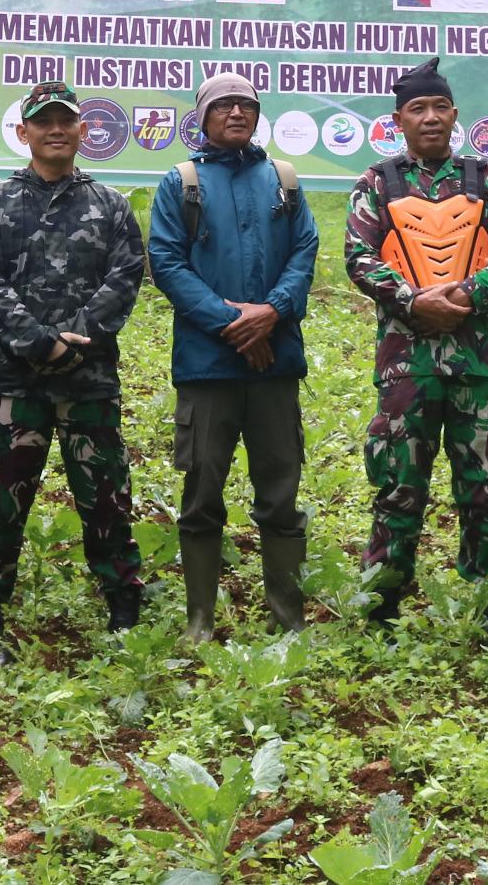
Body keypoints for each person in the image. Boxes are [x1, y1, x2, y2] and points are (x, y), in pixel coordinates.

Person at [344, 57, 488, 638]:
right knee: (399, 483)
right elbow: (358, 256)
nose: (430, 118)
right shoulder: (378, 183)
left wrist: (469, 292)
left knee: (484, 485)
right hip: (407, 363)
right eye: (417, 109)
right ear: (398, 119)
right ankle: (382, 607)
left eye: (439, 107)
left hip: (477, 361)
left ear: (455, 114)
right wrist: (411, 299)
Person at [0, 81, 149, 653]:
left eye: (66, 120)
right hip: (14, 379)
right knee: (1, 499)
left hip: (88, 379)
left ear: (82, 131)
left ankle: (123, 612)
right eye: (43, 121)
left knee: (106, 498)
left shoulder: (110, 204)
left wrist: (80, 339)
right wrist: (38, 341)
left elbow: (126, 276)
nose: (55, 129)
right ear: (24, 133)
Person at [147, 71, 319, 643]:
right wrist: (235, 322)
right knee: (201, 492)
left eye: (246, 105)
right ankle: (199, 619)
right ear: (202, 116)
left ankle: (286, 617)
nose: (237, 113)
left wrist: (272, 311)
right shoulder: (182, 182)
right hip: (208, 367)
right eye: (223, 105)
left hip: (275, 366)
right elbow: (167, 263)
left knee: (280, 490)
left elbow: (305, 250)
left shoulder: (284, 180)